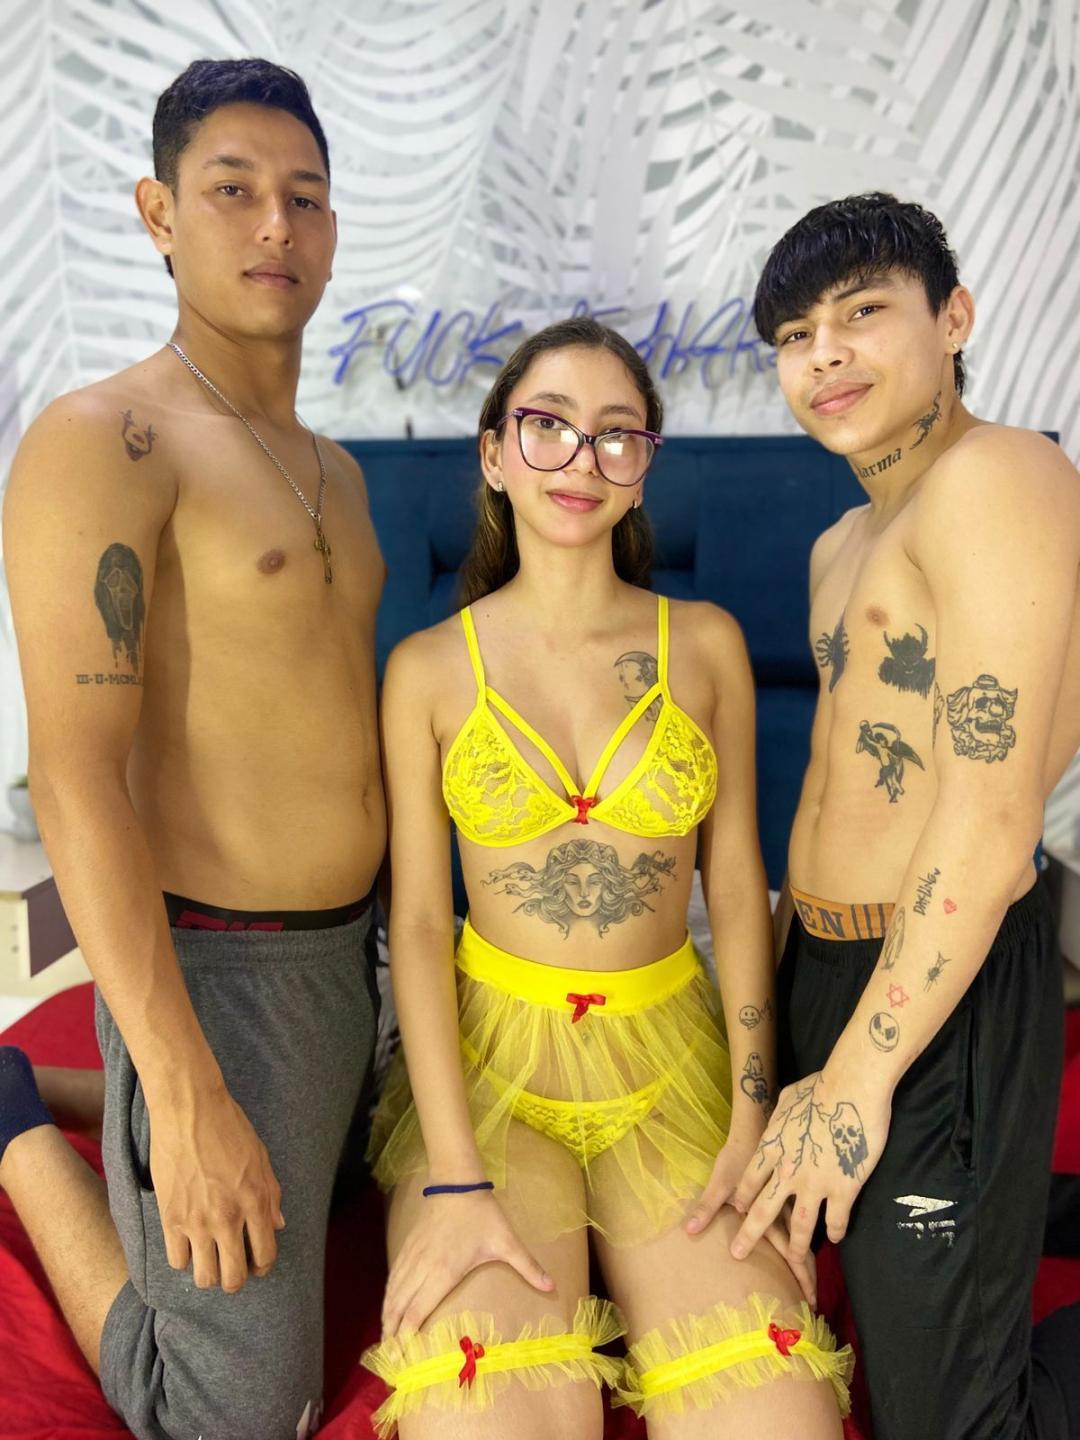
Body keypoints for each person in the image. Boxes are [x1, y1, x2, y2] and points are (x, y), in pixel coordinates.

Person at [360, 316, 852, 1439]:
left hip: (673, 1064)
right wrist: (452, 1178)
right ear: (495, 453)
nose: (581, 458)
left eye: (615, 434)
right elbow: (421, 924)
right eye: (548, 426)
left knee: (776, 1414)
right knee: (486, 1412)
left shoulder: (706, 644)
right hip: (491, 1072)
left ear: (643, 469)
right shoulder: (427, 670)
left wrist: (752, 1117)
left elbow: (739, 894)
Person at [0, 58, 385, 1440]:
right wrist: (182, 1085)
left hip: (361, 954)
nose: (276, 224)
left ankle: (90, 1090)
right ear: (159, 212)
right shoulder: (105, 440)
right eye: (233, 190)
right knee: (229, 1415)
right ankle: (13, 1111)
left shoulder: (336, 468)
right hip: (221, 966)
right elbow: (76, 776)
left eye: (305, 196)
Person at [729, 192, 1080, 1440]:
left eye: (862, 313)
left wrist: (859, 1080)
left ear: (955, 318)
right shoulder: (840, 541)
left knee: (948, 1421)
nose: (824, 355)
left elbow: (988, 818)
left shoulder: (1002, 477)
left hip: (941, 970)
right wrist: (778, 1049)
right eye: (795, 335)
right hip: (824, 964)